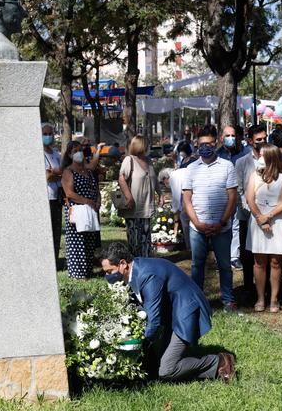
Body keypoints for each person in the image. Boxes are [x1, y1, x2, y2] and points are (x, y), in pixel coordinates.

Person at [99, 242, 236, 382]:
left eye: (109, 271)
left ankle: (219, 361)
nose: (107, 276)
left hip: (186, 312)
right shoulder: (133, 271)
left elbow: (154, 321)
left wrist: (135, 345)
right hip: (171, 312)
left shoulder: (147, 276)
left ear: (123, 264)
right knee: (157, 365)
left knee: (166, 370)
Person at [183, 125, 238, 312]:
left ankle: (228, 300)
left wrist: (221, 222)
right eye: (201, 144)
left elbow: (232, 197)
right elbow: (187, 199)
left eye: (209, 143)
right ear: (197, 145)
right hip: (197, 227)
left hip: (221, 226)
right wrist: (197, 222)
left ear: (216, 143)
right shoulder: (190, 168)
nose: (205, 147)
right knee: (197, 265)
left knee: (224, 265)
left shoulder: (227, 166)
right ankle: (197, 300)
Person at [245, 143, 282, 312]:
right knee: (259, 262)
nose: (259, 158)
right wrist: (260, 218)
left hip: (277, 221)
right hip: (258, 221)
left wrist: (269, 216)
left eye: (263, 155)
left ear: (271, 157)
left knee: (276, 262)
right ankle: (260, 298)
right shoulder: (255, 175)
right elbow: (250, 198)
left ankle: (274, 298)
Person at [235, 125, 268, 300]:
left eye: (264, 138)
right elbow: (239, 190)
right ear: (250, 141)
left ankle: (267, 286)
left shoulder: (272, 159)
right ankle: (249, 287)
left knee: (268, 252)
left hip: (269, 216)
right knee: (247, 254)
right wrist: (253, 211)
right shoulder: (242, 162)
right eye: (258, 140)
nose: (262, 142)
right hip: (247, 216)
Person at [61, 141, 101, 279]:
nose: (79, 153)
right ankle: (77, 273)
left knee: (89, 241)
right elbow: (69, 193)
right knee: (77, 242)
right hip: (77, 210)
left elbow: (94, 187)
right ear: (70, 154)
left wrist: (97, 201)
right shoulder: (68, 171)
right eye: (75, 151)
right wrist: (87, 201)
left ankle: (88, 271)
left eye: (80, 150)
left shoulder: (87, 170)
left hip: (90, 210)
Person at [118, 135, 160, 257]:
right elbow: (122, 179)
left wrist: (160, 194)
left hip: (147, 207)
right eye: (147, 144)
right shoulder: (129, 160)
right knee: (135, 240)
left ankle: (146, 262)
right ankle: (135, 264)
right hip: (133, 208)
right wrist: (128, 196)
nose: (149, 146)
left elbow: (154, 179)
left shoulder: (149, 161)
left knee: (146, 239)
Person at [217, 125, 252, 271]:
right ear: (221, 138)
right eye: (227, 135)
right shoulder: (217, 154)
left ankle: (234, 257)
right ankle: (222, 256)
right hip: (222, 196)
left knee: (236, 226)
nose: (231, 138)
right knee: (223, 226)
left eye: (233, 135)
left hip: (238, 195)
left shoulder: (245, 153)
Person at [42, 123, 62, 262]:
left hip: (57, 196)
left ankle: (55, 258)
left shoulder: (55, 154)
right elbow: (46, 176)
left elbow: (63, 172)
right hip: (46, 196)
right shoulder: (38, 154)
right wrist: (56, 173)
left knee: (56, 229)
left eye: (50, 133)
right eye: (45, 134)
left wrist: (53, 172)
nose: (48, 136)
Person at [168, 165, 191, 251]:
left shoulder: (173, 177)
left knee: (185, 219)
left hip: (189, 200)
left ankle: (190, 247)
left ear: (165, 179)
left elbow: (176, 198)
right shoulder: (180, 173)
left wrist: (176, 223)